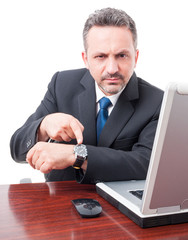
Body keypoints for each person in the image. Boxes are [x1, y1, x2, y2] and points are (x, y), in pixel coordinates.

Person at [10, 8, 164, 184]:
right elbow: (17, 150)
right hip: (60, 201)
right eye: (100, 56)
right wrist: (43, 127)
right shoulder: (62, 84)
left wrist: (75, 154)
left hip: (121, 206)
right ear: (86, 60)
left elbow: (146, 164)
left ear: (135, 57)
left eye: (122, 55)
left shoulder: (158, 102)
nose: (112, 68)